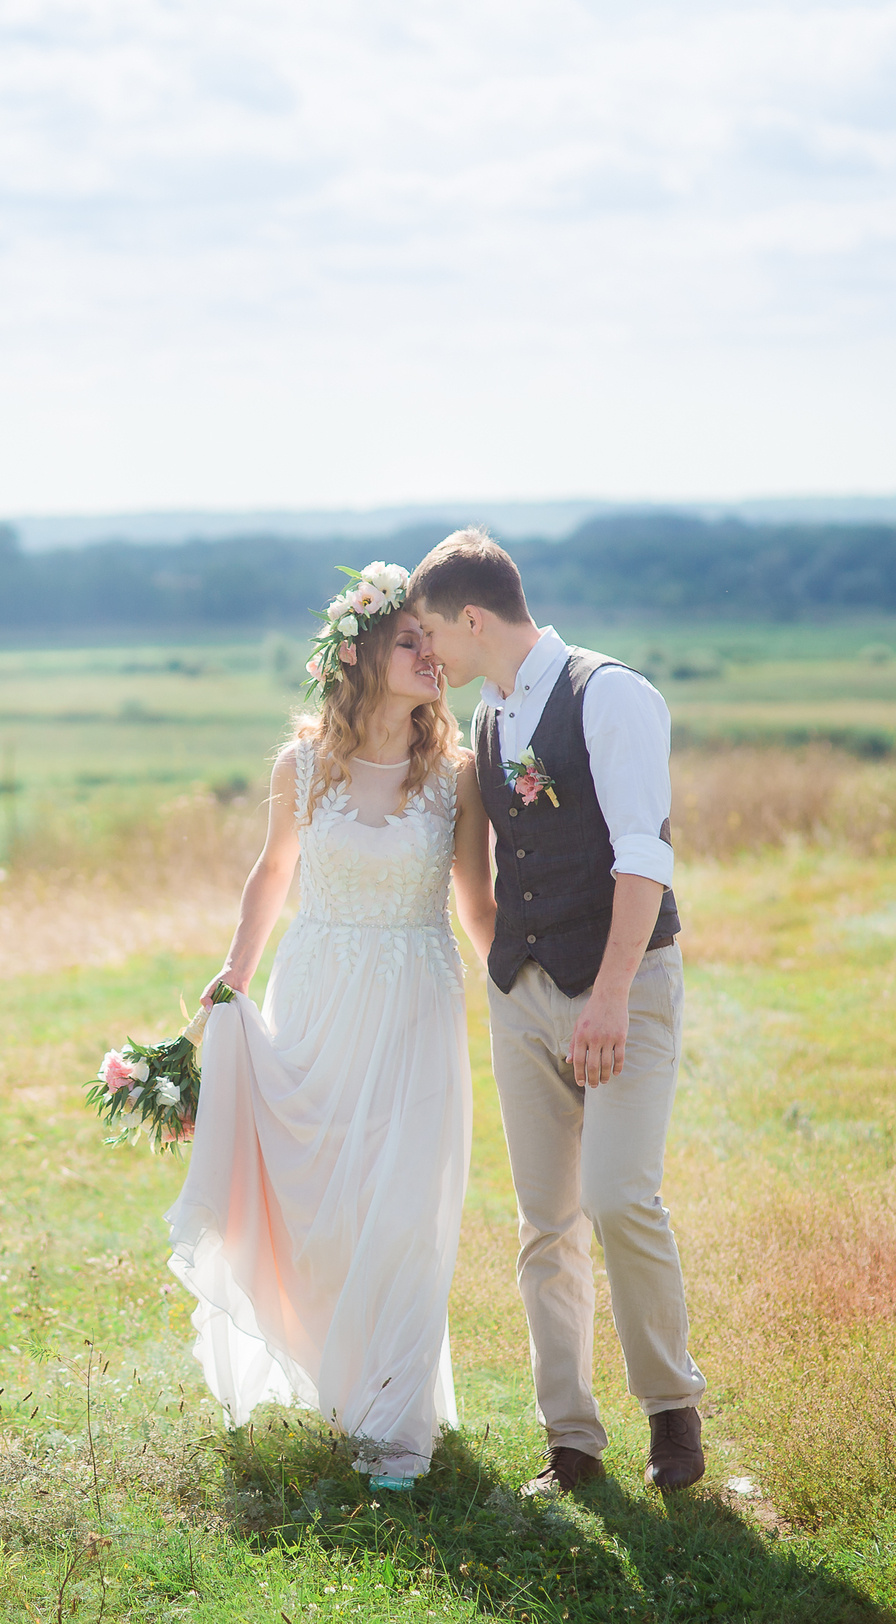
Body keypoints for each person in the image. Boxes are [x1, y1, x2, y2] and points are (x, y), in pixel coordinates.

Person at [163, 563, 495, 1491]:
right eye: (410, 643)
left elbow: (476, 904)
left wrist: (526, 984)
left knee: (402, 1208)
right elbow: (273, 874)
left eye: (436, 642)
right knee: (327, 1203)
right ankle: (341, 1381)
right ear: (358, 656)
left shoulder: (459, 775)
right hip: (319, 988)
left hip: (417, 1001)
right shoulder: (301, 765)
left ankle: (399, 1420)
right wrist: (235, 972)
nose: (433, 658)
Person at [407, 527, 709, 1495]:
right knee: (545, 1222)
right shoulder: (491, 720)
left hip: (623, 983)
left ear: (472, 617)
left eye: (431, 636)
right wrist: (506, 965)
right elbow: (489, 869)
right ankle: (570, 1440)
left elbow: (642, 856)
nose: (430, 659)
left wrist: (610, 995)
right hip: (525, 994)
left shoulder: (611, 693)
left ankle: (672, 1413)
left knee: (620, 1195)